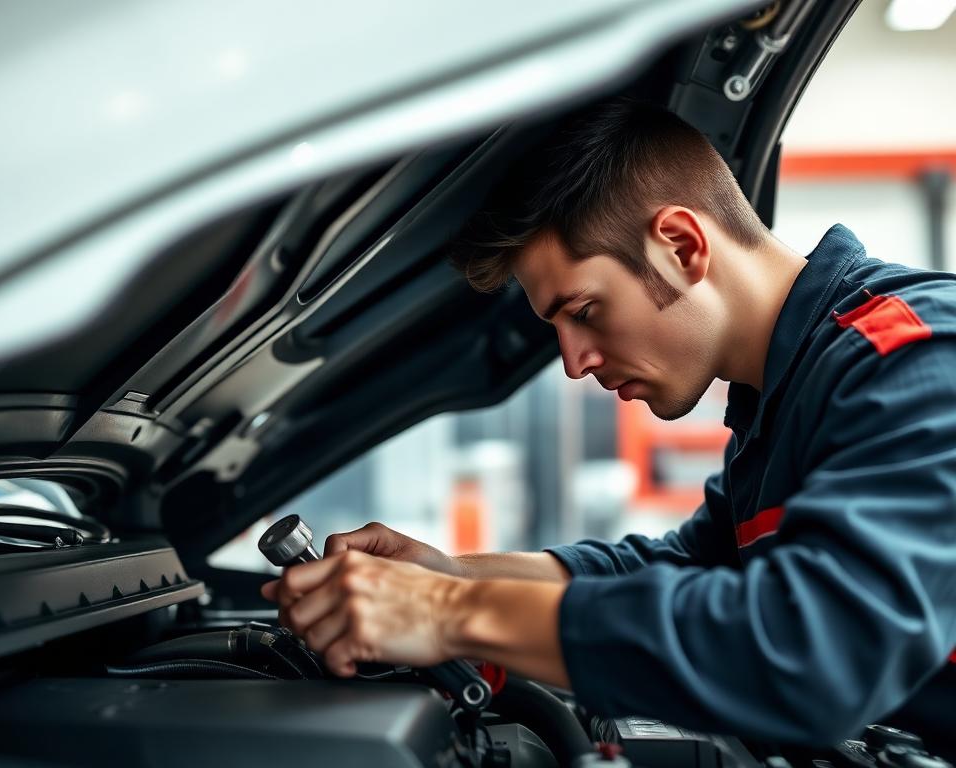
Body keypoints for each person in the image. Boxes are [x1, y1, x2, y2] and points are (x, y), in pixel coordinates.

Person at [261, 100, 956, 752]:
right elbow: (680, 567)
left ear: (681, 246)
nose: (573, 362)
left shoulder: (915, 361)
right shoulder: (787, 395)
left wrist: (448, 609)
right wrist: (447, 573)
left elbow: (815, 654)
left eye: (585, 311)